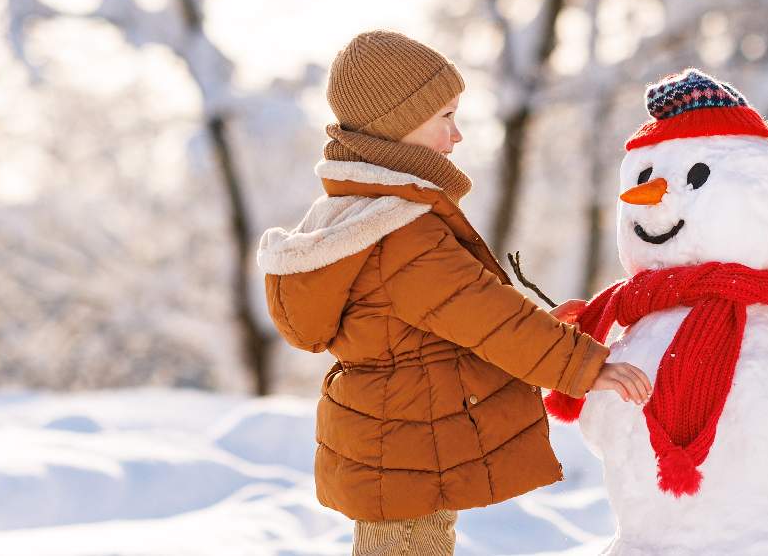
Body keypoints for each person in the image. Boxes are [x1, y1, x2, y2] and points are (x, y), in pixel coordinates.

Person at [253, 30, 651, 556]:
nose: (457, 135)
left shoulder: (359, 214)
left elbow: (458, 318)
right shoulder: (401, 230)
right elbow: (483, 313)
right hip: (408, 446)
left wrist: (556, 330)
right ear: (397, 125)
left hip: (395, 441)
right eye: (445, 116)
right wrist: (581, 364)